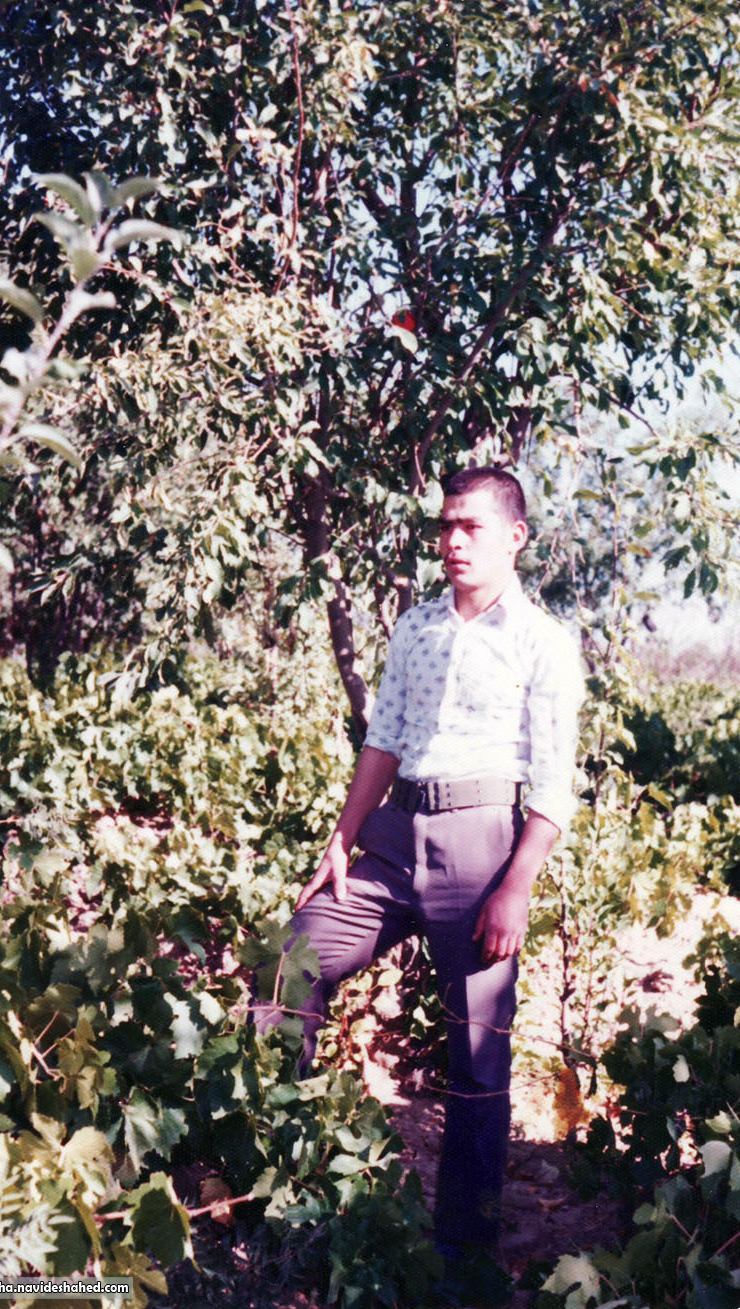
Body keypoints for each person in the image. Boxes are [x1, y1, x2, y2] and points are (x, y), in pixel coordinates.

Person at [268, 465, 584, 1264]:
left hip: (482, 848)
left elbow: (554, 785)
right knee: (289, 964)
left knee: (478, 1056)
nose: (453, 541)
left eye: (471, 526)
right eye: (446, 525)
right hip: (394, 836)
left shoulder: (542, 642)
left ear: (515, 537)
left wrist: (515, 886)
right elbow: (384, 739)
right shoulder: (416, 628)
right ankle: (279, 1190)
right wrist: (340, 840)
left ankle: (461, 1260)